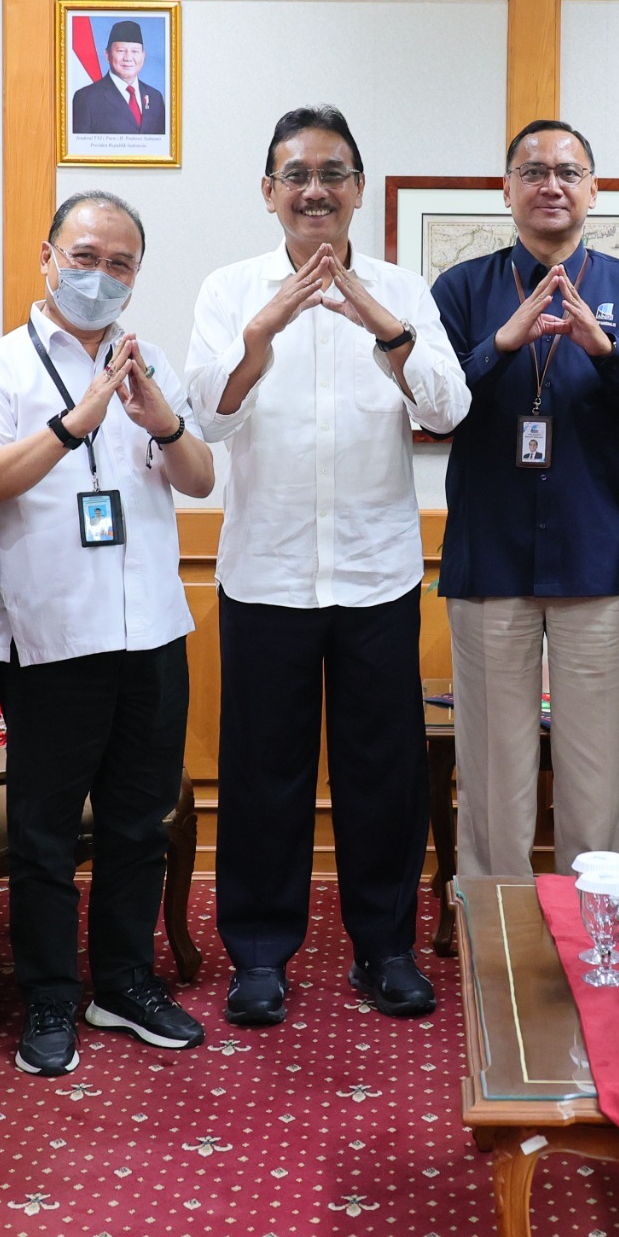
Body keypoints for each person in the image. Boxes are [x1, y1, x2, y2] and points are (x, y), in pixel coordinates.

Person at [184, 106, 468, 1027]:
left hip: (375, 571)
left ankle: (385, 949)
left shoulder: (403, 289)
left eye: (333, 173)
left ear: (358, 189)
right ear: (269, 191)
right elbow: (207, 419)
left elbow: (448, 409)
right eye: (297, 175)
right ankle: (260, 954)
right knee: (263, 772)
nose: (315, 190)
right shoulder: (230, 289)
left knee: (383, 772)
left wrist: (381, 322)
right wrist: (262, 331)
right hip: (265, 572)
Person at [0, 191, 218, 1077]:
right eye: (85, 257)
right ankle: (50, 996)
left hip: (153, 633)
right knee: (46, 835)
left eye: (120, 264)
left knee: (140, 823)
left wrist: (161, 422)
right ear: (47, 257)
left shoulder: (152, 360)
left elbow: (199, 479)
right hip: (52, 640)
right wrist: (74, 424)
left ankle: (125, 983)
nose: (101, 276)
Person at [431, 119, 619, 879]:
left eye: (568, 173)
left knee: (595, 772)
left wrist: (606, 352)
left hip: (593, 558)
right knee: (491, 769)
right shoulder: (460, 289)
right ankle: (492, 929)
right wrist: (499, 345)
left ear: (593, 190)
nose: (551, 185)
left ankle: (590, 930)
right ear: (506, 189)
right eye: (533, 172)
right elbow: (433, 411)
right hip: (489, 557)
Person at [70, 20, 167, 136]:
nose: (128, 58)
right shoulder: (86, 98)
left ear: (143, 56)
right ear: (107, 55)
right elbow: (79, 145)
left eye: (135, 51)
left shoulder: (155, 97)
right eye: (121, 51)